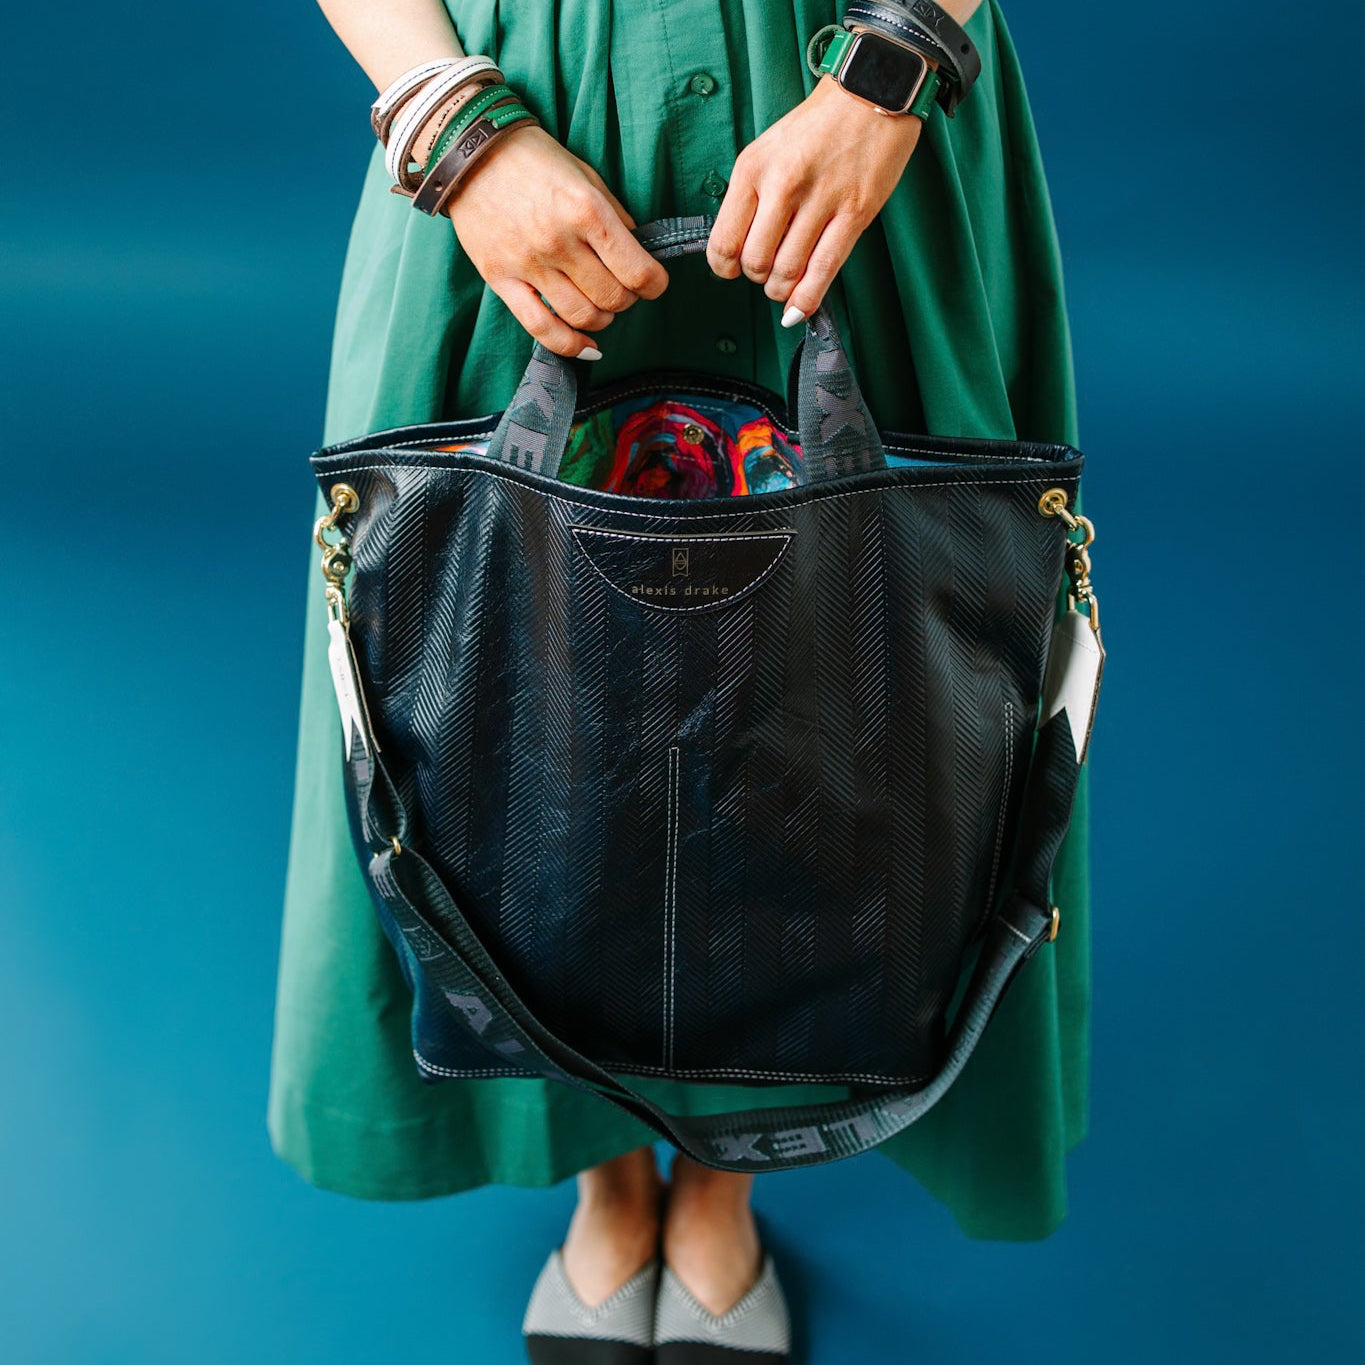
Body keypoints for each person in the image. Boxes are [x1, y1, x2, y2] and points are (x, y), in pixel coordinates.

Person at [268, 0, 1091, 1358]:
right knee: (501, 684)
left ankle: (723, 1176)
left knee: (842, 678)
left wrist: (889, 74)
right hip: (518, 110)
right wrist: (449, 123)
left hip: (845, 107)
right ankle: (604, 1166)